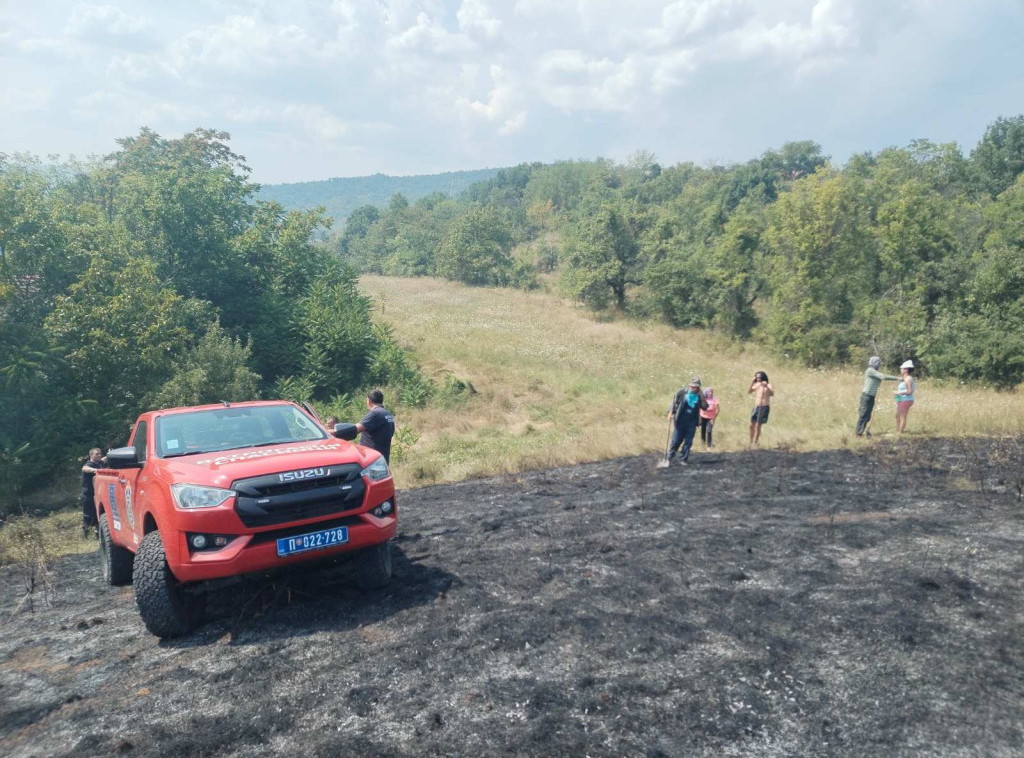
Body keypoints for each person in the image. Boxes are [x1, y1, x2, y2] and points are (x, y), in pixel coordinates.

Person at [666, 377, 708, 465]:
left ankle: (683, 459)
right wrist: (670, 412)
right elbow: (673, 402)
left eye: (696, 387)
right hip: (680, 421)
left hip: (692, 422)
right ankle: (669, 458)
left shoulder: (699, 396)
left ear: (698, 388)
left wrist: (701, 395)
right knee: (676, 440)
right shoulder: (681, 392)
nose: (693, 388)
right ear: (689, 385)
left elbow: (705, 407)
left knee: (688, 441)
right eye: (692, 386)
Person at [855, 356, 899, 436]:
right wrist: (898, 378)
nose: (879, 365)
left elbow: (880, 377)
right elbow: (883, 377)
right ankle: (858, 433)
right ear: (874, 364)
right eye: (878, 363)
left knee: (868, 416)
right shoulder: (870, 371)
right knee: (863, 415)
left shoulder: (875, 372)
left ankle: (862, 431)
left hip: (871, 397)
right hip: (866, 396)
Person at [354, 389, 395, 464]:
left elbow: (355, 429)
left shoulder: (375, 414)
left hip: (371, 461)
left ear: (369, 401)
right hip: (382, 458)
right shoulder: (387, 414)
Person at [79, 447, 106, 537]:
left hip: (98, 494)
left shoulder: (100, 463)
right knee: (88, 515)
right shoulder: (89, 464)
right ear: (91, 456)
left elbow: (104, 458)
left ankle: (98, 534)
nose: (99, 455)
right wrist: (96, 471)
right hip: (88, 494)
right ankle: (85, 534)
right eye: (96, 454)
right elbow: (84, 468)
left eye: (100, 453)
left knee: (98, 514)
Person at [748, 371, 774, 446]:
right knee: (751, 425)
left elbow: (772, 394)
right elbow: (749, 391)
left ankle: (755, 442)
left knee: (758, 425)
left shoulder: (768, 385)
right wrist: (752, 382)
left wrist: (766, 386)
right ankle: (750, 441)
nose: (758, 378)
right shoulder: (757, 385)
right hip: (756, 406)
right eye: (757, 377)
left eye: (759, 377)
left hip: (764, 406)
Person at [894, 360, 916, 434]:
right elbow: (899, 391)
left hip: (906, 400)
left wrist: (898, 392)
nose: (901, 370)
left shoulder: (908, 379)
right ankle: (898, 430)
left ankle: (900, 432)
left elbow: (910, 391)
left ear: (906, 370)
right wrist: (897, 400)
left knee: (902, 416)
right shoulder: (903, 379)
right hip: (901, 399)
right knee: (897, 415)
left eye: (902, 369)